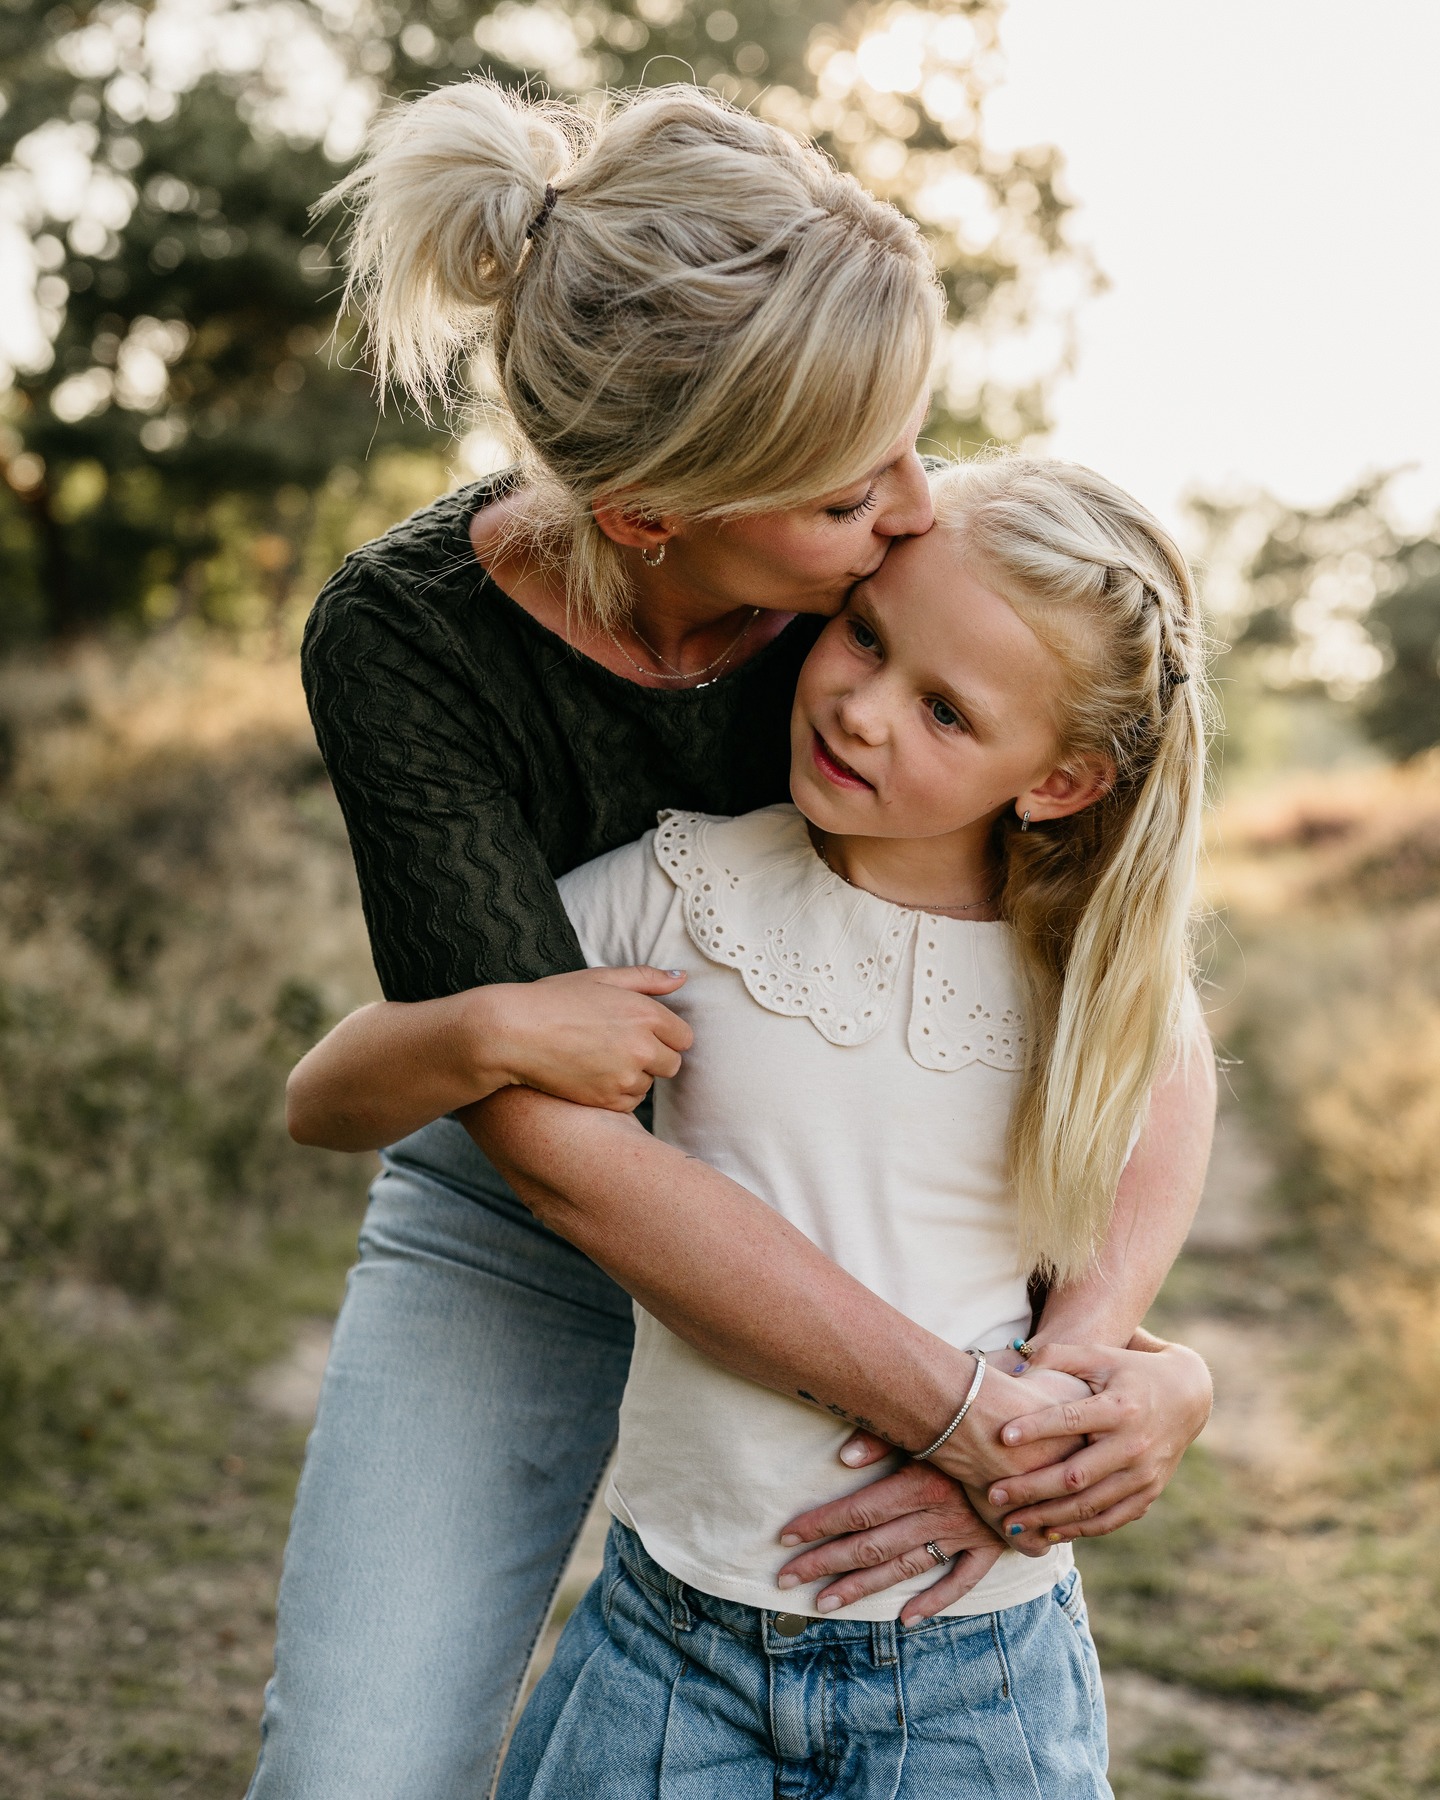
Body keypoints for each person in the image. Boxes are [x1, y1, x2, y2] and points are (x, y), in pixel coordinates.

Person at [252, 78, 1214, 1800]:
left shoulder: (894, 589)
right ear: (655, 517)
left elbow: (1132, 981)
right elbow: (542, 1134)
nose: (920, 508)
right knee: (357, 1771)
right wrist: (955, 1409)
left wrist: (1097, 1372)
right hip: (543, 1164)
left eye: (921, 437)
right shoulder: (407, 645)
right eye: (859, 496)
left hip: (811, 1164)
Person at [492, 453, 1206, 1795]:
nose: (864, 709)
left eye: (945, 711)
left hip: (978, 1667)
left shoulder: (1080, 975)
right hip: (675, 1641)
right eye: (866, 638)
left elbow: (1174, 1068)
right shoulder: (684, 886)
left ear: (1056, 781)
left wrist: (1111, 1354)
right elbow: (492, 1051)